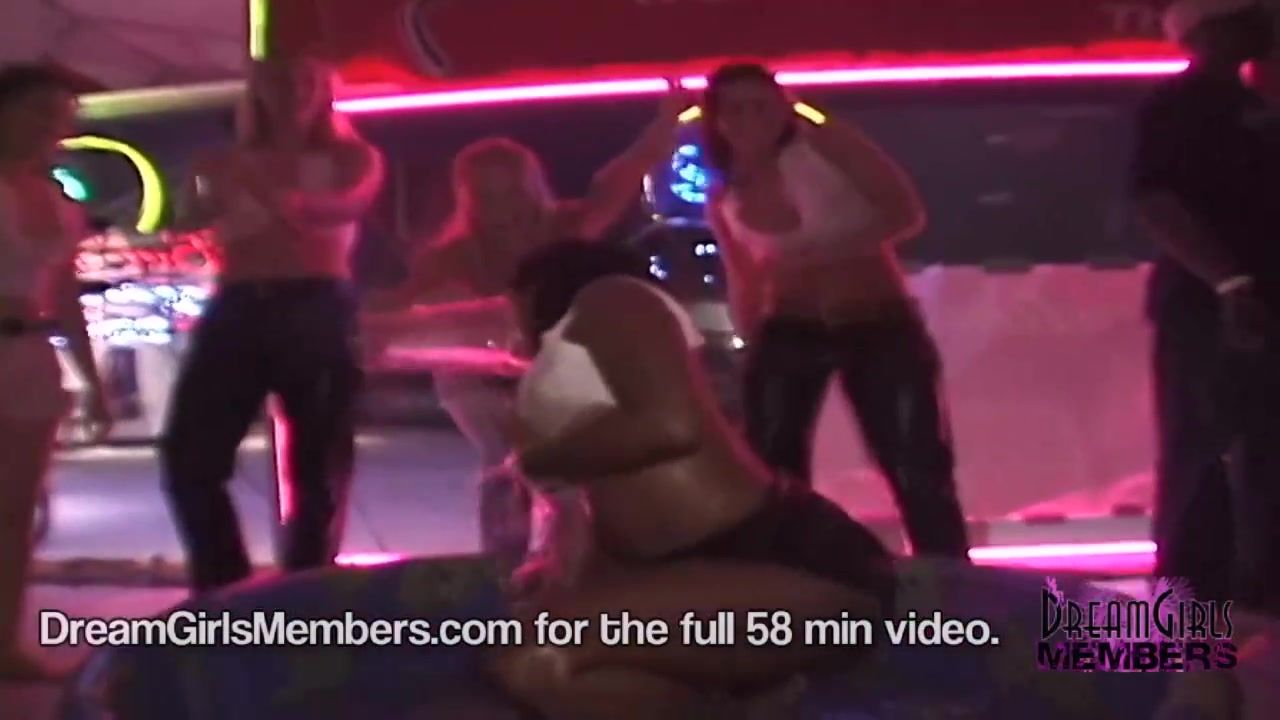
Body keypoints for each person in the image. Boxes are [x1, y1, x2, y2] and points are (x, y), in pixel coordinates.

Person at [488, 240, 897, 718]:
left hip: (780, 556)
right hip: (671, 568)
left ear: (537, 287)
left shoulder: (613, 296)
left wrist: (539, 461)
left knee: (540, 653)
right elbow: (601, 494)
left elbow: (672, 425)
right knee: (538, 668)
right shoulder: (570, 351)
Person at [364, 92, 690, 571]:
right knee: (505, 459)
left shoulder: (566, 227)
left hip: (550, 373)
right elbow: (397, 309)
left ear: (534, 188)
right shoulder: (451, 255)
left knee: (563, 467)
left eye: (513, 192)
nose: (504, 209)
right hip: (480, 382)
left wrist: (662, 127)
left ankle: (570, 559)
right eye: (488, 197)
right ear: (469, 201)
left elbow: (619, 180)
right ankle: (504, 565)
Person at [701, 62, 969, 558]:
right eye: (734, 109)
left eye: (761, 106)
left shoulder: (825, 146)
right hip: (790, 323)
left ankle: (948, 579)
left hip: (874, 316)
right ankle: (789, 576)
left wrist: (820, 252)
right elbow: (745, 276)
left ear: (783, 108)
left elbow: (905, 212)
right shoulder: (724, 195)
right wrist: (751, 342)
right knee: (772, 465)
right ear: (716, 119)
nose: (748, 119)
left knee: (915, 462)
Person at [161, 56, 384, 593]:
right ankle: (224, 586)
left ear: (324, 91)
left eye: (305, 81)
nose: (292, 91)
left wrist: (262, 187)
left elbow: (340, 209)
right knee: (190, 456)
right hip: (238, 301)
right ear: (257, 91)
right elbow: (187, 222)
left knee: (318, 462)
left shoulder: (349, 156)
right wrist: (202, 191)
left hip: (315, 301)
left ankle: (305, 590)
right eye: (278, 81)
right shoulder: (223, 160)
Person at [1133, 0, 1280, 613]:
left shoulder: (1255, 104)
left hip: (1248, 302)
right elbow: (1156, 201)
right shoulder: (1179, 105)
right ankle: (1191, 600)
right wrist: (1230, 283)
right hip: (1209, 309)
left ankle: (1256, 593)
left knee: (1261, 450)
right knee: (1203, 447)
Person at [0, 63, 111, 678]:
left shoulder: (58, 201)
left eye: (61, 116)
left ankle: (5, 643)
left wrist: (90, 380)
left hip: (31, 352)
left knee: (18, 508)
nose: (51, 126)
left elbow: (66, 294)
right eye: (39, 111)